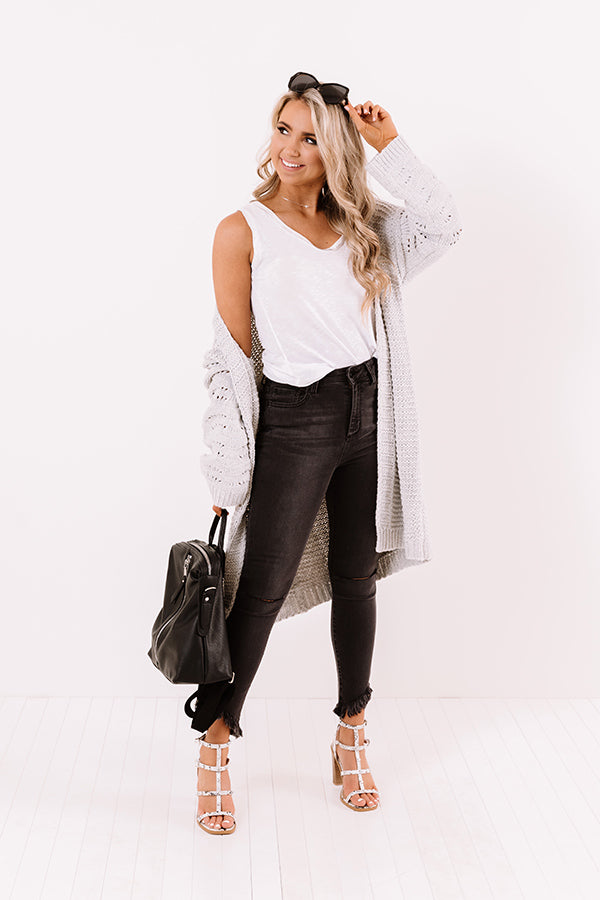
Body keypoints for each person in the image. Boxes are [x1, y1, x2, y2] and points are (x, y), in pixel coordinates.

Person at [194, 72, 462, 834]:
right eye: (284, 130)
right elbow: (228, 362)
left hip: (367, 412)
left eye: (310, 137)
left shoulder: (365, 225)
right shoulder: (242, 231)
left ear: (336, 149)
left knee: (356, 578)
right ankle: (215, 741)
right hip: (294, 419)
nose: (290, 149)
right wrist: (225, 467)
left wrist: (389, 144)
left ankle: (351, 732)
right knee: (260, 589)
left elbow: (443, 224)